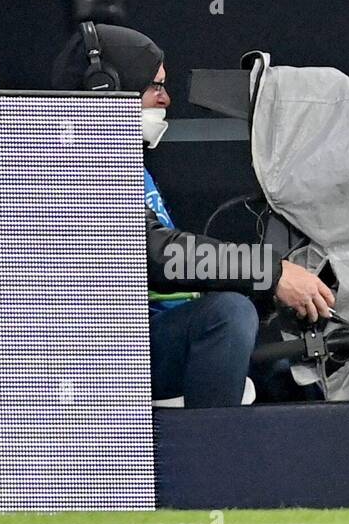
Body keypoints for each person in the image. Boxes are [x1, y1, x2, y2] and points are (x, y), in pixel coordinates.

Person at [51, 22, 334, 407]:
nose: (166, 99)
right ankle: (211, 459)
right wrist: (271, 273)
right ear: (106, 89)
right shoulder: (71, 162)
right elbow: (154, 253)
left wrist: (270, 290)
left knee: (271, 341)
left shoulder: (123, 163)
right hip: (101, 357)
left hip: (144, 339)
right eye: (154, 87)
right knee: (226, 317)